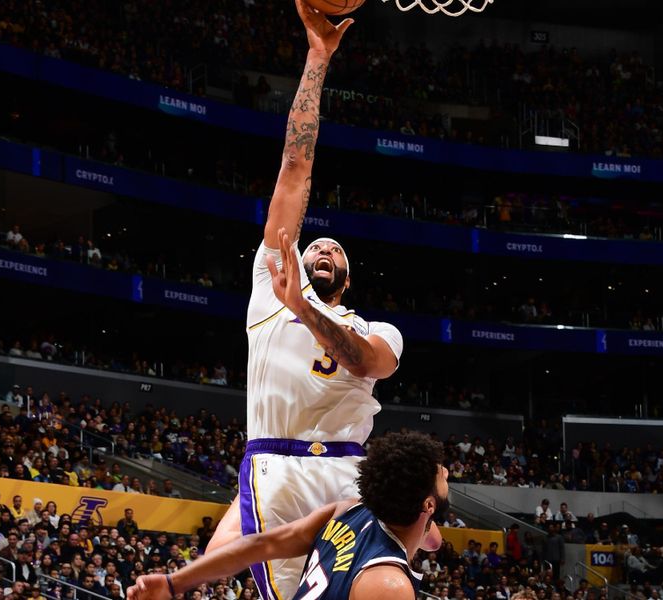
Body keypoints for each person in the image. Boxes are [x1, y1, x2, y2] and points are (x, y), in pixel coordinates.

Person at [206, 3, 406, 600]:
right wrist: (318, 59)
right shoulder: (271, 284)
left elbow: (366, 363)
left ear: (346, 275)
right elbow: (296, 166)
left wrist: (307, 311)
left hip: (349, 475)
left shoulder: (376, 328)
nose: (320, 250)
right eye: (312, 245)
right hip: (275, 465)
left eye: (332, 251)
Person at [128, 433, 447, 600]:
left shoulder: (349, 509)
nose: (446, 471)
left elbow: (262, 545)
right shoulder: (389, 585)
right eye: (440, 474)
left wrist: (172, 584)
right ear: (428, 506)